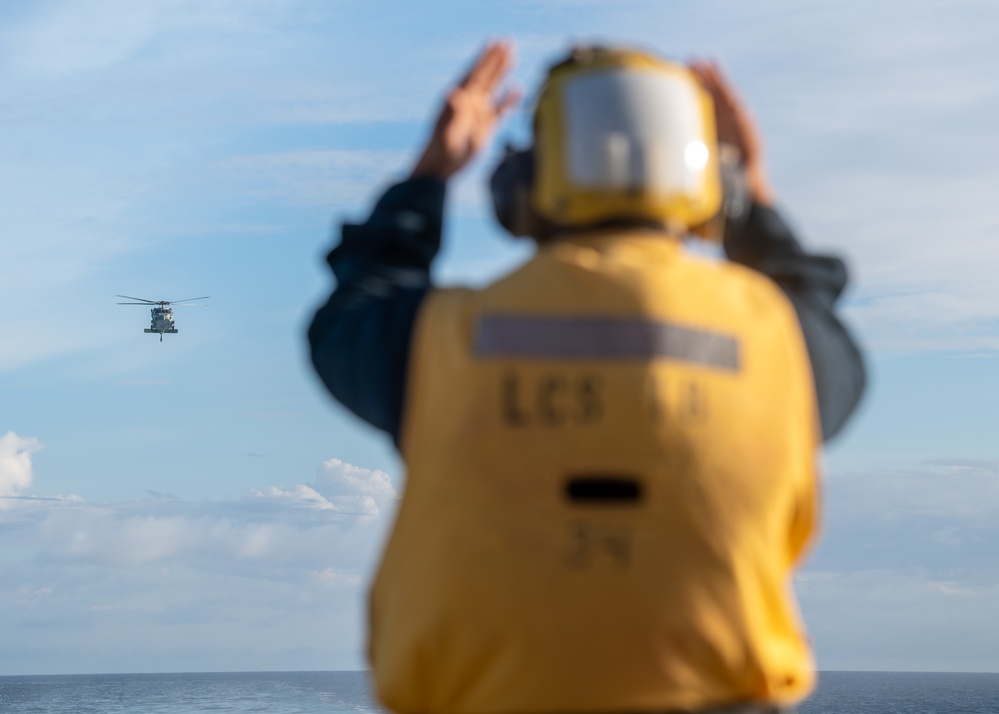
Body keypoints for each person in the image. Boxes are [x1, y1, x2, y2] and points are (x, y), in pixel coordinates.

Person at [308, 41, 864, 714]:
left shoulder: (439, 339)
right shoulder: (782, 346)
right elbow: (810, 308)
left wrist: (429, 174)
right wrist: (754, 199)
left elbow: (352, 312)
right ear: (716, 184)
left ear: (520, 182)